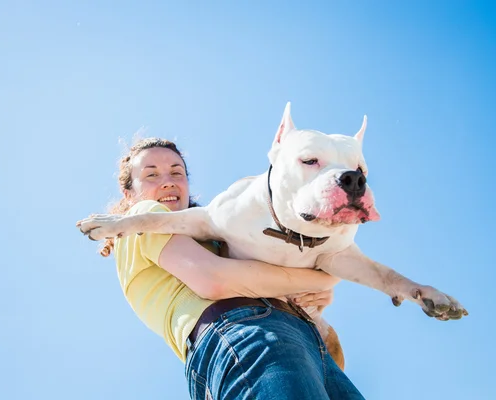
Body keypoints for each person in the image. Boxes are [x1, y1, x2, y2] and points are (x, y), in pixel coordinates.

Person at [78, 137, 366, 399]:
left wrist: (315, 295)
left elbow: (273, 276)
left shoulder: (220, 235)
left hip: (295, 339)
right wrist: (320, 280)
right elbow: (213, 279)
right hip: (248, 333)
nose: (167, 181)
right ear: (129, 193)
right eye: (151, 175)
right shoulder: (142, 217)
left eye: (177, 172)